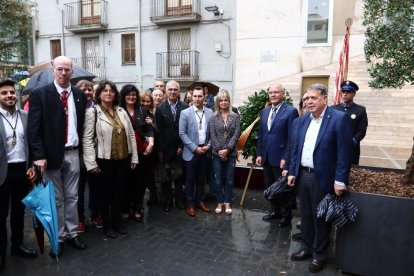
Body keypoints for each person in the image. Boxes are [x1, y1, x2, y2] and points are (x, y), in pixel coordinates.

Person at [288, 84, 352, 273]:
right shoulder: (300, 121)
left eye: (313, 98)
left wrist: (340, 180)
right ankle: (306, 248)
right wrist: (292, 172)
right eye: (306, 99)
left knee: (321, 218)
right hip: (303, 176)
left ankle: (319, 255)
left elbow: (344, 153)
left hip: (323, 178)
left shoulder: (339, 119)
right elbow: (294, 150)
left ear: (324, 98)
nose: (308, 102)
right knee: (306, 216)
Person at [28, 56, 87, 258]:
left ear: (72, 72)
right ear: (53, 70)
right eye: (60, 69)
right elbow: (34, 130)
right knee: (56, 199)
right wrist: (39, 155)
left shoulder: (79, 95)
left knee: (73, 197)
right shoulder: (39, 95)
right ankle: (59, 237)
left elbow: (81, 125)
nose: (64, 73)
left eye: (67, 70)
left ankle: (72, 233)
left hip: (73, 153)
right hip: (51, 157)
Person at [83, 81, 138, 239]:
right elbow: (87, 140)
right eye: (105, 90)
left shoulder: (121, 110)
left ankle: (117, 221)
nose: (108, 93)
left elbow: (131, 135)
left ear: (115, 94)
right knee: (104, 195)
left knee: (119, 193)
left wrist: (134, 156)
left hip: (123, 159)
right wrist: (91, 164)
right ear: (99, 94)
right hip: (103, 160)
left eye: (111, 90)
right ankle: (107, 224)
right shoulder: (92, 112)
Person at [0, 79, 37, 272]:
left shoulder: (25, 116)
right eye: (4, 93)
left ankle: (17, 245)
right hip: (2, 172)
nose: (9, 96)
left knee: (18, 212)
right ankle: (1, 253)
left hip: (22, 170)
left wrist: (31, 165)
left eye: (12, 92)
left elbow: (31, 142)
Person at [255, 84, 299, 228]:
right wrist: (259, 153)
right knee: (271, 186)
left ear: (283, 94)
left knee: (283, 188)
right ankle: (275, 211)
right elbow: (262, 135)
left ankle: (286, 216)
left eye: (276, 92)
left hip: (281, 158)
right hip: (267, 157)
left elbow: (292, 138)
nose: (273, 95)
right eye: (271, 92)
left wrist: (286, 158)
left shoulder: (291, 111)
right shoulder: (265, 111)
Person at [120, 85, 154, 222]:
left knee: (140, 183)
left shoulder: (141, 110)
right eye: (128, 94)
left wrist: (151, 143)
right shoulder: (119, 110)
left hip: (141, 152)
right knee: (125, 182)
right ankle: (125, 208)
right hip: (125, 153)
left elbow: (149, 128)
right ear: (123, 96)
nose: (131, 97)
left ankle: (137, 208)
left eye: (134, 94)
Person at [179, 87, 213, 217]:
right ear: (191, 97)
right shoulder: (185, 113)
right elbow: (182, 133)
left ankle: (200, 201)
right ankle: (190, 203)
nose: (197, 99)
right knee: (190, 179)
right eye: (195, 96)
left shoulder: (210, 112)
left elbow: (212, 133)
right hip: (191, 152)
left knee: (201, 179)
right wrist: (194, 148)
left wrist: (208, 146)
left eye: (200, 96)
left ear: (204, 97)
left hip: (205, 151)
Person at [155, 81, 188, 212]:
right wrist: (160, 150)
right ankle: (167, 201)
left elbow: (186, 129)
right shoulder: (160, 108)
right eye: (170, 90)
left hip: (180, 148)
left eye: (175, 90)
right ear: (166, 92)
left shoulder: (185, 107)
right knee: (166, 178)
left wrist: (182, 146)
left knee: (180, 176)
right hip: (165, 149)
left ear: (178, 91)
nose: (173, 92)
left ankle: (179, 200)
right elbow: (158, 131)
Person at [75, 80, 101, 233]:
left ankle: (95, 214)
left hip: (96, 154)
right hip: (77, 154)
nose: (87, 93)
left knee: (95, 187)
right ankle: (79, 219)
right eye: (83, 90)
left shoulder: (98, 109)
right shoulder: (73, 109)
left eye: (89, 89)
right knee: (78, 190)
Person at [209, 89, 241, 215]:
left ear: (229, 101)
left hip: (231, 153)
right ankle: (219, 202)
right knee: (218, 180)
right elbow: (212, 135)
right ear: (218, 102)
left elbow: (236, 134)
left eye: (225, 100)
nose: (223, 102)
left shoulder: (235, 116)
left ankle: (227, 202)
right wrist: (220, 151)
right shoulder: (213, 117)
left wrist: (227, 150)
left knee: (229, 179)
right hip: (217, 154)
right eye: (221, 100)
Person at [333, 80, 368, 165]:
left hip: (351, 148)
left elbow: (362, 129)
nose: (345, 94)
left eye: (348, 92)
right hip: (334, 146)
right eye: (343, 91)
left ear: (354, 94)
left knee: (351, 171)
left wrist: (353, 141)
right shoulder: (333, 109)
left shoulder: (360, 110)